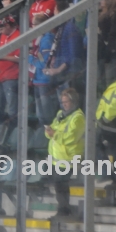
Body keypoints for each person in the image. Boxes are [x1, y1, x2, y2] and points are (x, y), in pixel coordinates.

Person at [45, 88, 85, 218]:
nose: (64, 104)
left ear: (73, 102)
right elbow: (51, 130)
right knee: (58, 185)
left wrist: (54, 134)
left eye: (66, 102)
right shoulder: (60, 114)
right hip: (58, 157)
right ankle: (63, 209)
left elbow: (71, 138)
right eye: (62, 102)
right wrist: (50, 133)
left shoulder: (78, 117)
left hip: (69, 157)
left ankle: (64, 210)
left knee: (61, 184)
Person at [96, 54, 116, 188]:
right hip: (109, 122)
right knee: (112, 149)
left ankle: (115, 177)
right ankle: (113, 176)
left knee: (114, 150)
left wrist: (105, 118)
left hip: (114, 123)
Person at [0, 15, 20, 128]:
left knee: (12, 110)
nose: (0, 32)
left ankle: (14, 136)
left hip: (12, 77)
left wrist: (3, 57)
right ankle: (1, 135)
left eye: (1, 29)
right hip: (1, 76)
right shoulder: (4, 36)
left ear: (8, 25)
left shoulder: (18, 36)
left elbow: (20, 58)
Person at [30, 13, 57, 127]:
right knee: (40, 112)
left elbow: (43, 62)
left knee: (46, 112)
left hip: (44, 80)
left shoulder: (46, 40)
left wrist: (30, 57)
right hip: (38, 79)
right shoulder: (41, 40)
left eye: (34, 24)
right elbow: (40, 57)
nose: (32, 27)